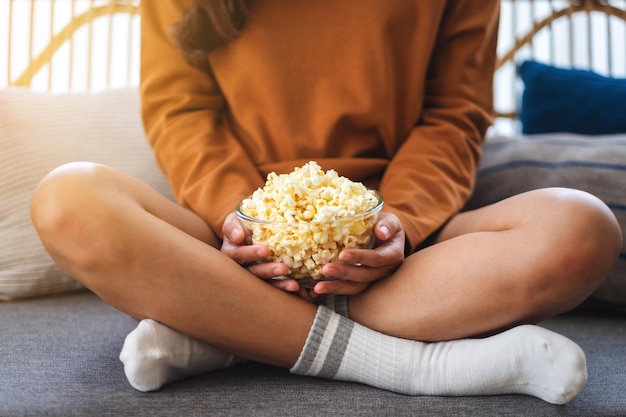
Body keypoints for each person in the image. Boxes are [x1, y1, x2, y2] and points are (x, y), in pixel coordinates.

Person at [30, 0, 621, 405]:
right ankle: (408, 367)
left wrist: (396, 223)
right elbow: (179, 111)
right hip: (233, 235)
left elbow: (454, 115)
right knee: (66, 200)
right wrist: (241, 219)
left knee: (582, 227)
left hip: (398, 245)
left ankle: (226, 333)